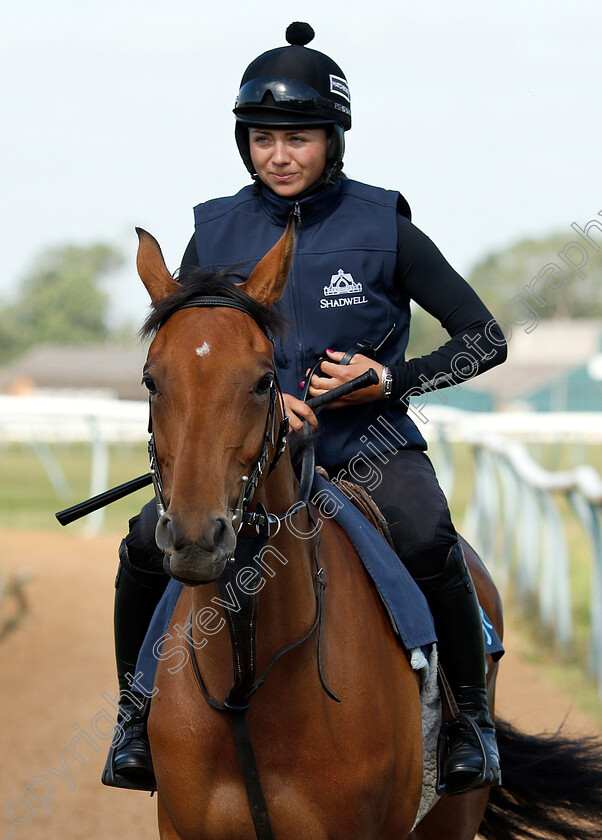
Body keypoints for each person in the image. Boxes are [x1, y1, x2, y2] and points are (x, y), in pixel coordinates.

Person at [103, 22, 507, 796]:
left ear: (334, 141)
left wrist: (391, 382)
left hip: (370, 447)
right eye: (261, 139)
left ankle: (470, 726)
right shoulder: (213, 230)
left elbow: (484, 339)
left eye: (299, 138)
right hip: (244, 456)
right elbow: (199, 348)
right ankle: (133, 717)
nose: (279, 155)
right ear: (243, 143)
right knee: (145, 546)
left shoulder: (385, 225)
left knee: (427, 535)